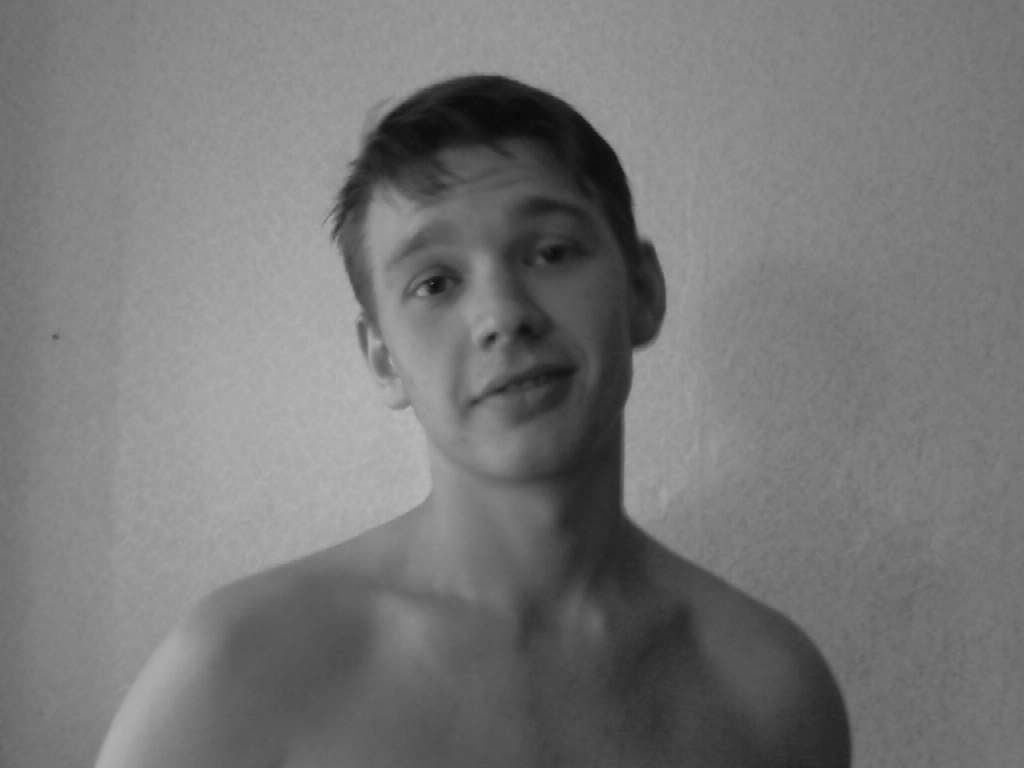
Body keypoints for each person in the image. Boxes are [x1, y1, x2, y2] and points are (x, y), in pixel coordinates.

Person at [95, 74, 851, 768]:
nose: (503, 315)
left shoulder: (769, 688)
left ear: (643, 291)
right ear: (384, 359)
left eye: (551, 252)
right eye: (435, 283)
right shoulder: (237, 671)